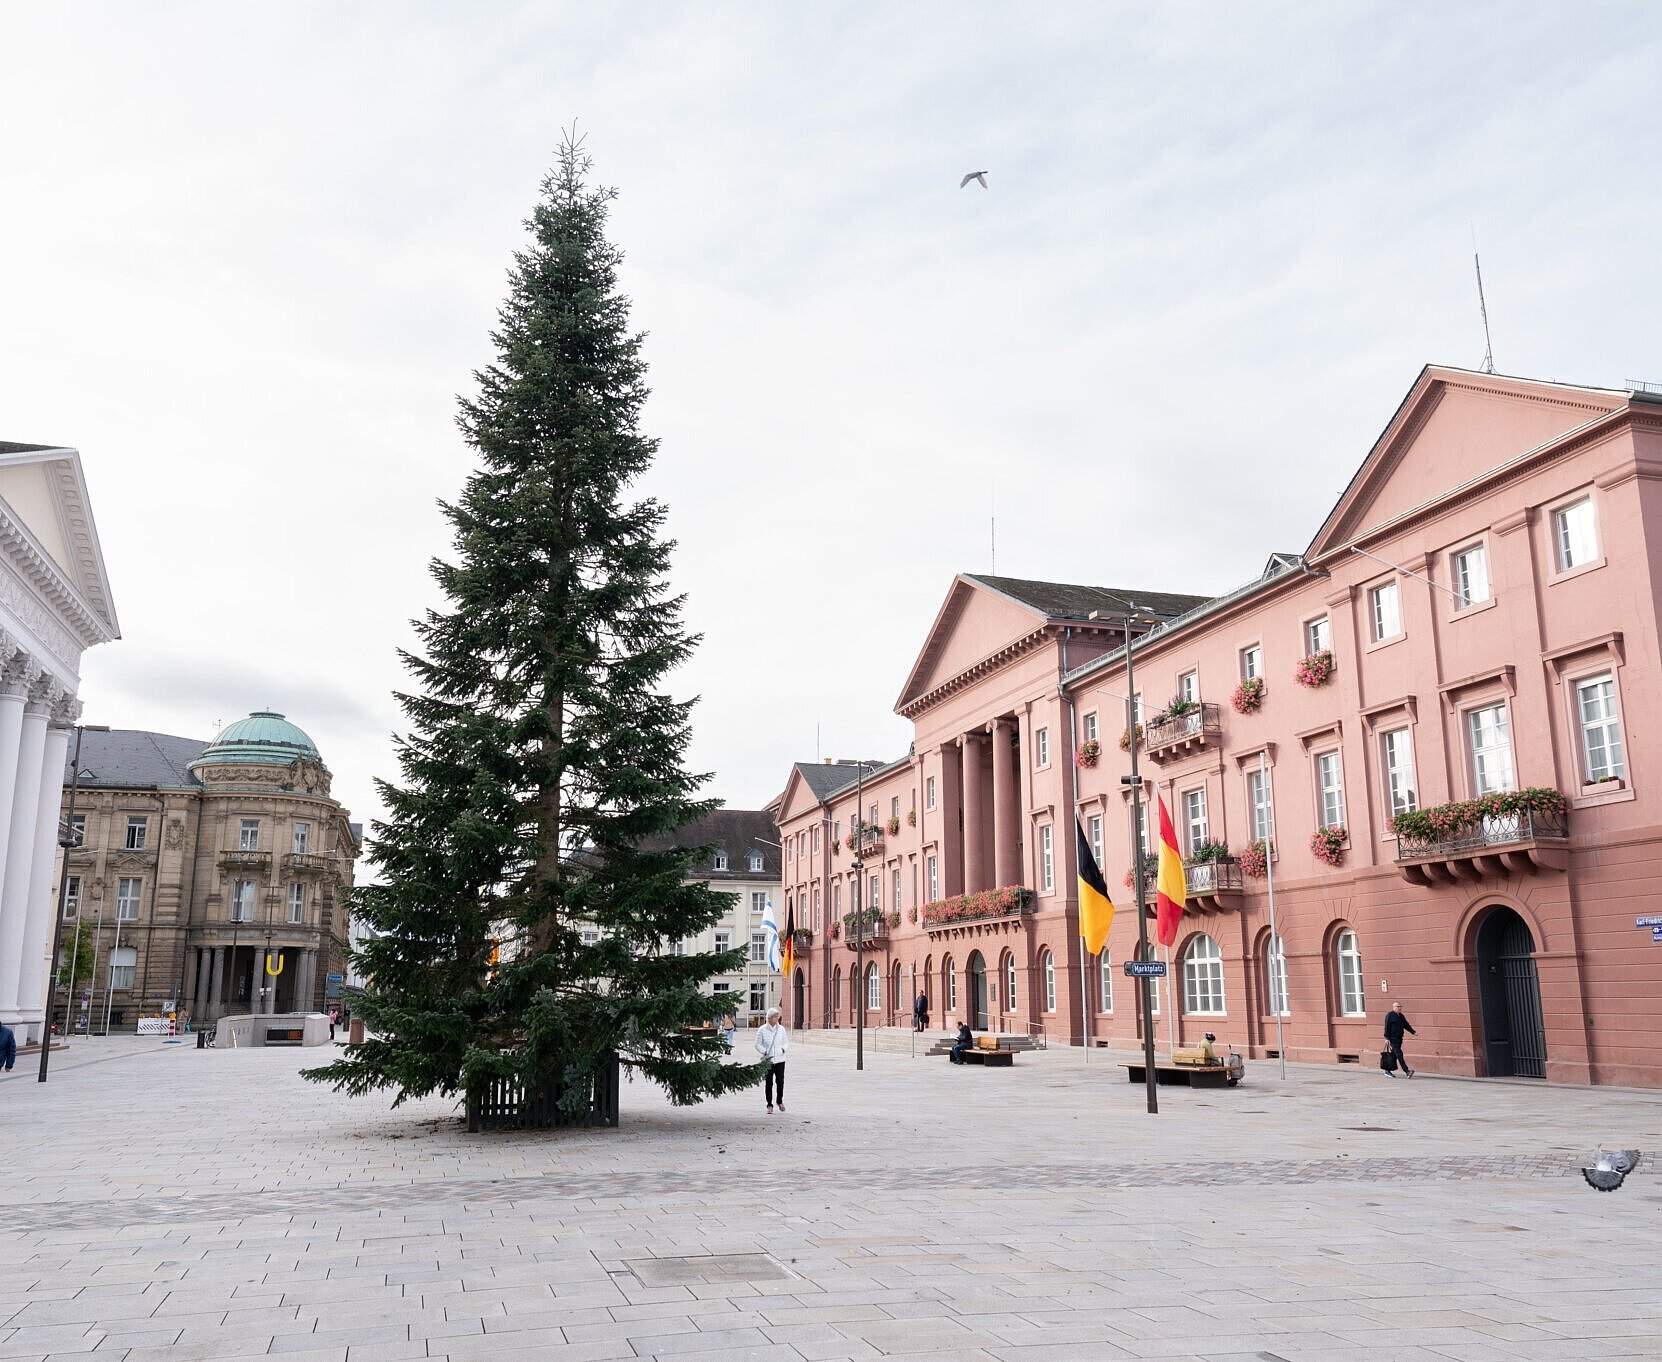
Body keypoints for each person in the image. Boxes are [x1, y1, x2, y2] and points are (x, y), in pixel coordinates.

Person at [755, 1006, 789, 1113]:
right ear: (769, 1018)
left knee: (780, 1081)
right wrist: (764, 1051)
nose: (777, 1018)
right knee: (768, 1082)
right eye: (775, 1016)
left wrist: (783, 1049)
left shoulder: (781, 1029)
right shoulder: (762, 1030)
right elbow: (757, 1044)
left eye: (777, 1016)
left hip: (780, 1060)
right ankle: (769, 1104)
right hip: (768, 1060)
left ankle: (779, 1101)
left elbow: (786, 1042)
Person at [1384, 1001, 1416, 1077]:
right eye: (1397, 1006)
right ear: (1394, 1007)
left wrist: (1413, 1032)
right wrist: (1386, 1038)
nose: (1399, 1008)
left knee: (1394, 1055)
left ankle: (1387, 1071)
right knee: (1399, 1054)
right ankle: (1407, 1071)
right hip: (1392, 1039)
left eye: (1400, 1006)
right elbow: (1386, 1027)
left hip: (1399, 1039)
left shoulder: (1401, 1016)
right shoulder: (1390, 1015)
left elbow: (1406, 1025)